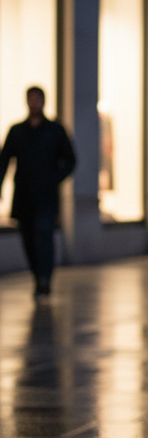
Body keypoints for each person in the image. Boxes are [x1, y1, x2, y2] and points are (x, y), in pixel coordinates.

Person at [0, 86, 76, 299]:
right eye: (31, 99)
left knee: (44, 235)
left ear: (44, 101)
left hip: (46, 195)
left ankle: (45, 280)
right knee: (28, 239)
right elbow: (4, 160)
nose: (35, 103)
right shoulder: (16, 131)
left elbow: (70, 160)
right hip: (24, 195)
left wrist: (54, 179)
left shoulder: (55, 130)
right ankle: (37, 276)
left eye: (38, 99)